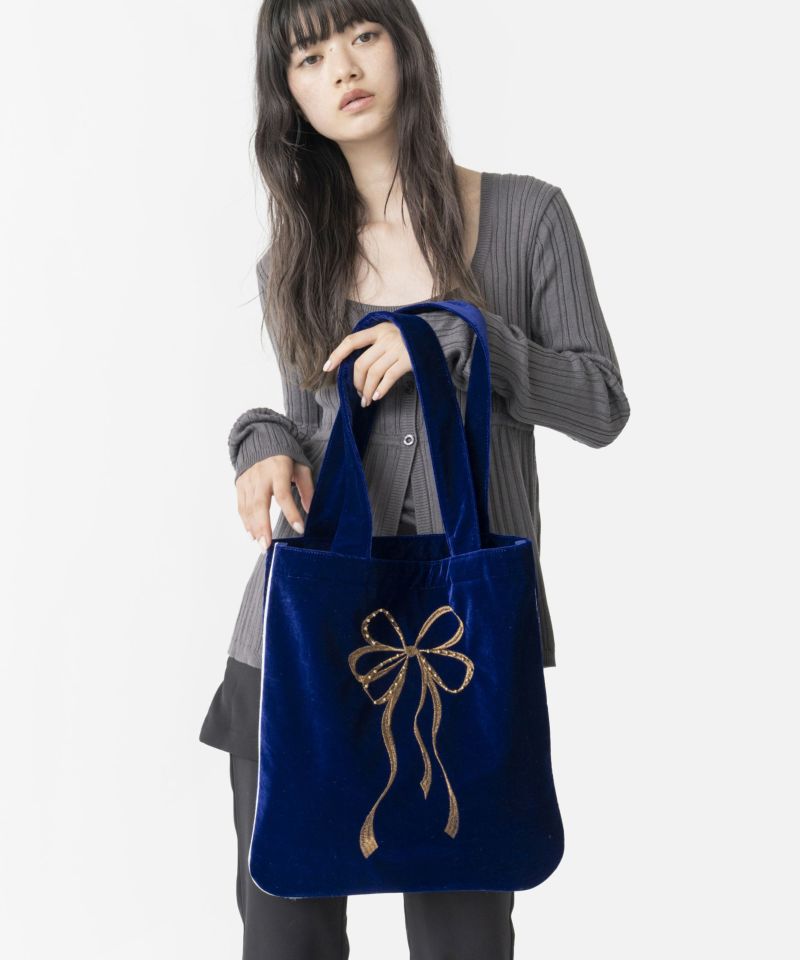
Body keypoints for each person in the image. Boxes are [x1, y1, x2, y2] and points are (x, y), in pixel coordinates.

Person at [199, 1, 631, 957]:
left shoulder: (525, 216)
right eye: (309, 57)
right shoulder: (294, 260)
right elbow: (309, 427)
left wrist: (458, 336)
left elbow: (601, 405)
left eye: (363, 35)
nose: (342, 69)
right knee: (286, 937)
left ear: (406, 47)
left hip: (460, 645)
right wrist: (258, 439)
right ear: (289, 96)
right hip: (300, 643)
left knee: (463, 939)